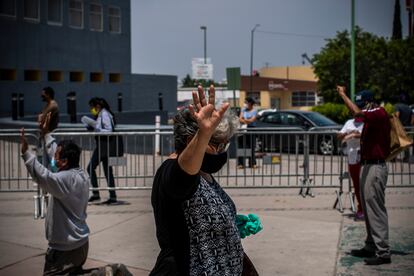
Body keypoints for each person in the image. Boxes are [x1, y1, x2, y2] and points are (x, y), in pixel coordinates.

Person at [150, 85, 257, 275]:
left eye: (225, 144)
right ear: (193, 138)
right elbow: (182, 178)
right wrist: (204, 134)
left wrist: (229, 223)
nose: (221, 151)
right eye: (217, 144)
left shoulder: (203, 173)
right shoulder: (173, 172)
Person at [20, 129, 90, 275]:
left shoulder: (63, 180)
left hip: (64, 249)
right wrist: (46, 135)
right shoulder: (81, 174)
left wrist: (26, 153)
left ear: (64, 161)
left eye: (56, 157)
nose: (53, 159)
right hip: (81, 245)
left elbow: (43, 176)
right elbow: (55, 153)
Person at [337, 86, 391, 265]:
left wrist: (343, 95)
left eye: (362, 104)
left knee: (375, 208)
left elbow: (357, 113)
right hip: (367, 165)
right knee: (368, 207)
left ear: (369, 102)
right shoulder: (373, 114)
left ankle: (383, 251)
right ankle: (371, 245)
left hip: (375, 167)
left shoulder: (378, 112)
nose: (359, 108)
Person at [84, 98, 118, 204]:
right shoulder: (101, 114)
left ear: (97, 106)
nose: (91, 109)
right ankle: (111, 196)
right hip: (102, 146)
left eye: (92, 107)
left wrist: (97, 129)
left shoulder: (105, 114)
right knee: (108, 171)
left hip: (104, 146)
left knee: (90, 168)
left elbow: (109, 130)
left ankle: (97, 194)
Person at [337, 118, 364, 221]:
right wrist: (347, 133)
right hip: (353, 159)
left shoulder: (367, 121)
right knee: (357, 186)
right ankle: (361, 209)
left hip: (366, 159)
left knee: (367, 186)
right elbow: (339, 136)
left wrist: (355, 134)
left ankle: (369, 210)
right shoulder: (349, 122)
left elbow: (370, 135)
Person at [237, 97, 258, 169]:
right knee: (242, 146)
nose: (245, 104)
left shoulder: (254, 111)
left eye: (246, 102)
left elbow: (252, 120)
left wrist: (244, 120)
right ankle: (241, 163)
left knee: (251, 146)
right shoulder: (243, 109)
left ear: (250, 103)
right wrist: (246, 120)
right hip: (243, 129)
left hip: (251, 129)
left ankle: (252, 163)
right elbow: (240, 118)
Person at [394, 93, 413, 161]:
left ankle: (394, 157)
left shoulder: (397, 106)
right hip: (408, 128)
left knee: (396, 142)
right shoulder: (408, 107)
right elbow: (412, 119)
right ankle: (406, 157)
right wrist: (409, 125)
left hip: (400, 127)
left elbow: (397, 116)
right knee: (406, 143)